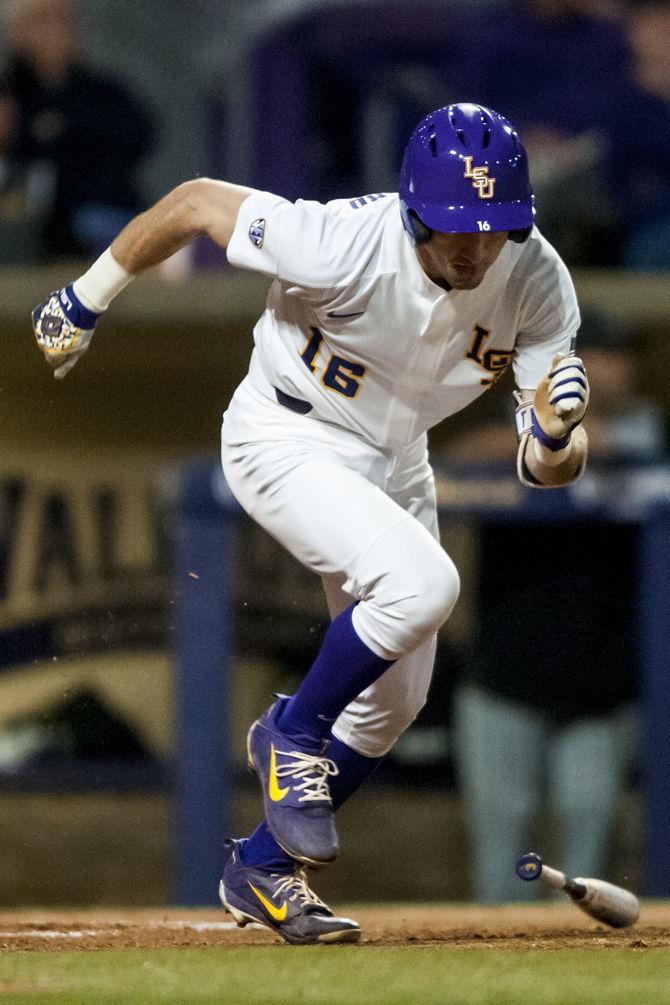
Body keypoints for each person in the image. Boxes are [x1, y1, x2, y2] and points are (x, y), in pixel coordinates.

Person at [31, 103, 590, 944]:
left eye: (497, 224)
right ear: (412, 209)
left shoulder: (537, 279)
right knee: (425, 585)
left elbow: (547, 468)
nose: (476, 245)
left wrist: (555, 435)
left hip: (396, 462)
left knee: (396, 701)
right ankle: (290, 730)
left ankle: (259, 867)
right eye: (455, 225)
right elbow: (193, 202)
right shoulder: (340, 240)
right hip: (284, 433)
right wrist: (84, 297)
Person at [447, 310, 664, 902]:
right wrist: (557, 435)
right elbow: (464, 455)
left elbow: (641, 444)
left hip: (601, 690)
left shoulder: (648, 441)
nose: (611, 369)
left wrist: (605, 439)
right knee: (503, 857)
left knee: (589, 846)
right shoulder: (522, 431)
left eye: (620, 357)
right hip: (503, 682)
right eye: (596, 356)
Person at [0, 0, 155, 261]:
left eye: (64, 20)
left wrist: (63, 129)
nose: (56, 31)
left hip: (97, 228)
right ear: (16, 32)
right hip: (24, 240)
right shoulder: (10, 96)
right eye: (41, 21)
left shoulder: (102, 93)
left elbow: (139, 135)